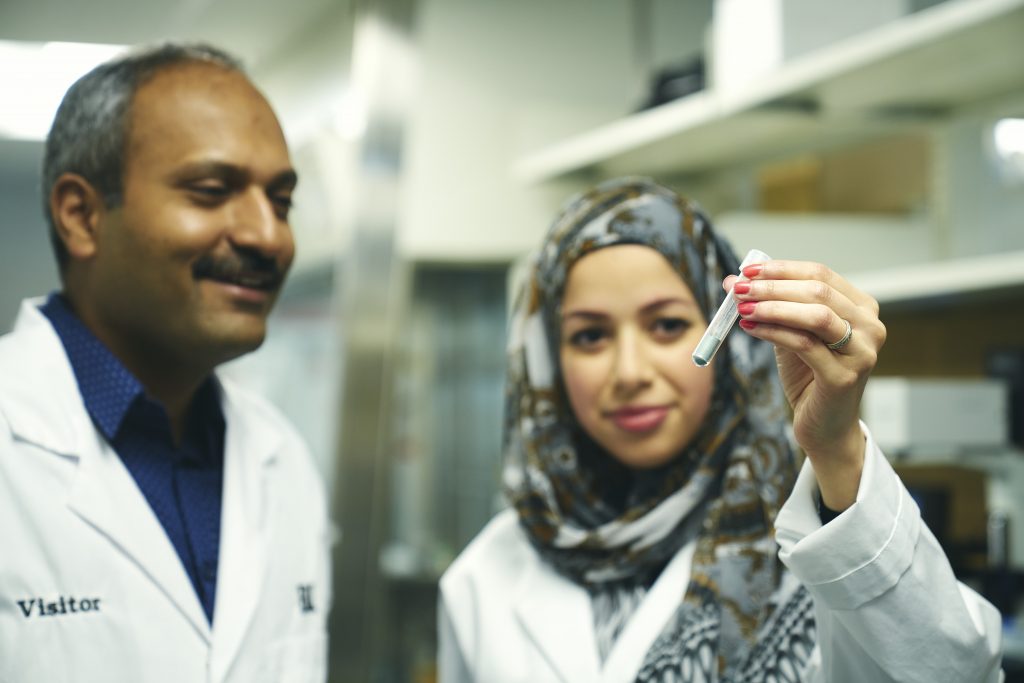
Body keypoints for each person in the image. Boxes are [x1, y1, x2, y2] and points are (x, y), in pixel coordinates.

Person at [438, 178, 1002, 682]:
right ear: (544, 364)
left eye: (667, 325)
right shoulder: (480, 580)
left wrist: (836, 447)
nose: (630, 373)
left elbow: (957, 670)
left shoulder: (824, 537)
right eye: (590, 336)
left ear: (727, 335)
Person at [0, 43, 330, 682]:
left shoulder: (284, 461)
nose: (269, 235)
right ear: (82, 216)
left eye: (281, 202)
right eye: (212, 192)